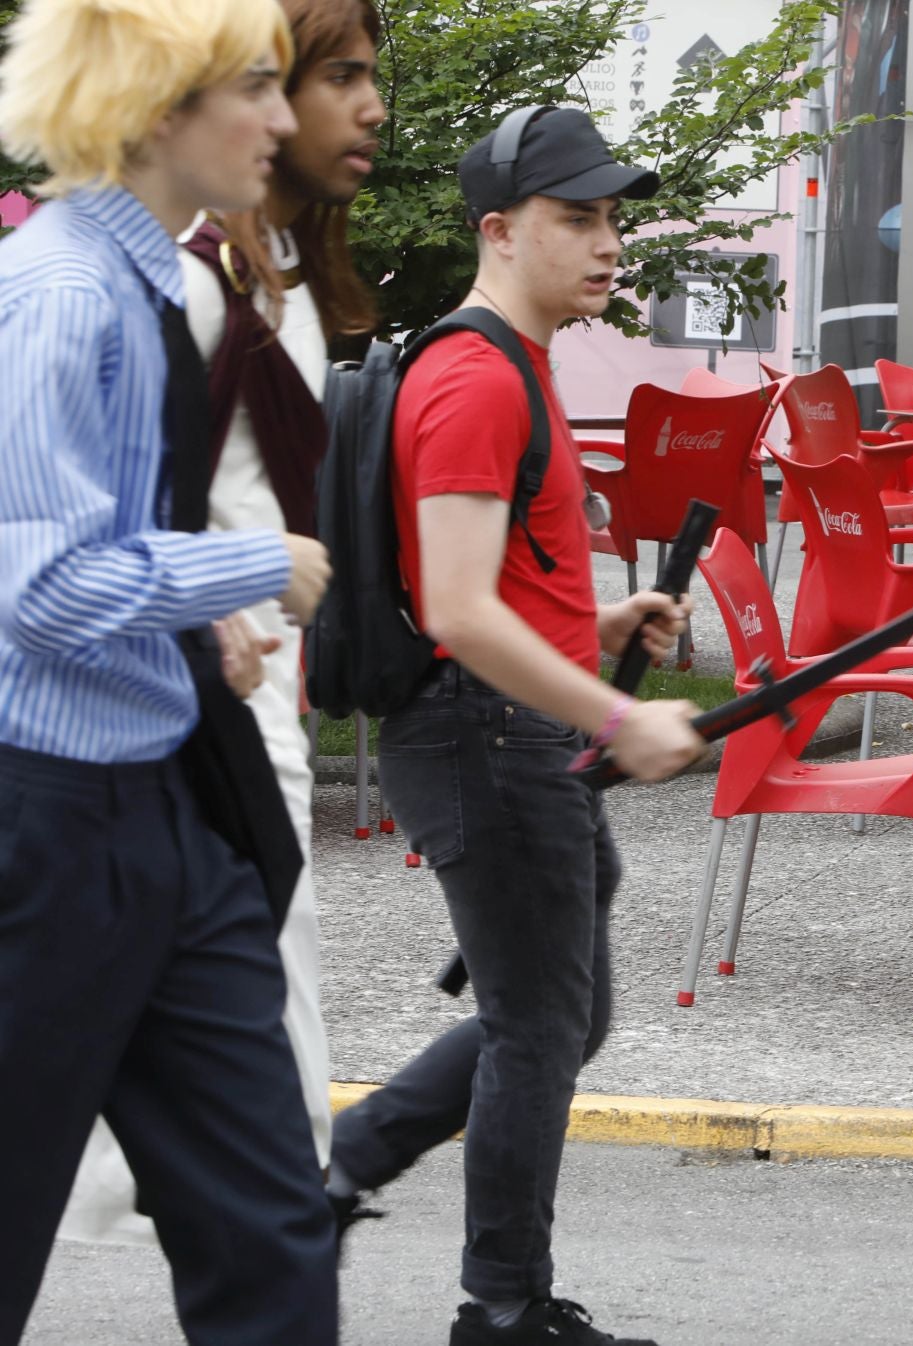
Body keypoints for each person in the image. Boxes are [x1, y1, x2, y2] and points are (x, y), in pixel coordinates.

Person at [324, 106, 705, 1346]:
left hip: (507, 730)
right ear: (499, 228)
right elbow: (452, 607)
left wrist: (596, 621)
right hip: (488, 740)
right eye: (575, 219)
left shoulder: (507, 361)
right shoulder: (478, 377)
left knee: (555, 1013)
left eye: (611, 218)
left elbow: (493, 587)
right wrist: (616, 716)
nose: (607, 244)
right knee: (541, 1024)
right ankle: (502, 1306)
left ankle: (333, 1172)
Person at [0, 1, 339, 1342]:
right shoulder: (62, 292)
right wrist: (248, 570)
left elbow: (88, 540)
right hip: (53, 824)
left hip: (159, 804)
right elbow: (37, 587)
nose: (282, 116)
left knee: (269, 1220)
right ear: (153, 108)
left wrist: (188, 613)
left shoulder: (146, 283)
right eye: (253, 87)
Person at [57, 0, 389, 1250]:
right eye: (332, 77)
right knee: (231, 1036)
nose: (368, 108)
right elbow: (92, 489)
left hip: (249, 699)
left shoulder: (276, 274)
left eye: (372, 76)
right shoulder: (189, 279)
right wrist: (204, 603)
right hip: (191, 705)